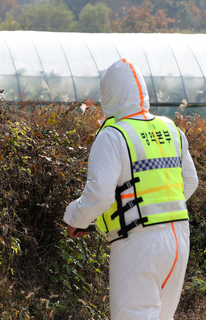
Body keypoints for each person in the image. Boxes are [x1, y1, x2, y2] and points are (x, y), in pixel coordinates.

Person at [64, 58, 198, 319]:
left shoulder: (114, 134)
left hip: (138, 243)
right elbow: (189, 182)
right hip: (179, 238)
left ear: (108, 96)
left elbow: (99, 195)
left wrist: (75, 217)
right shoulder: (171, 128)